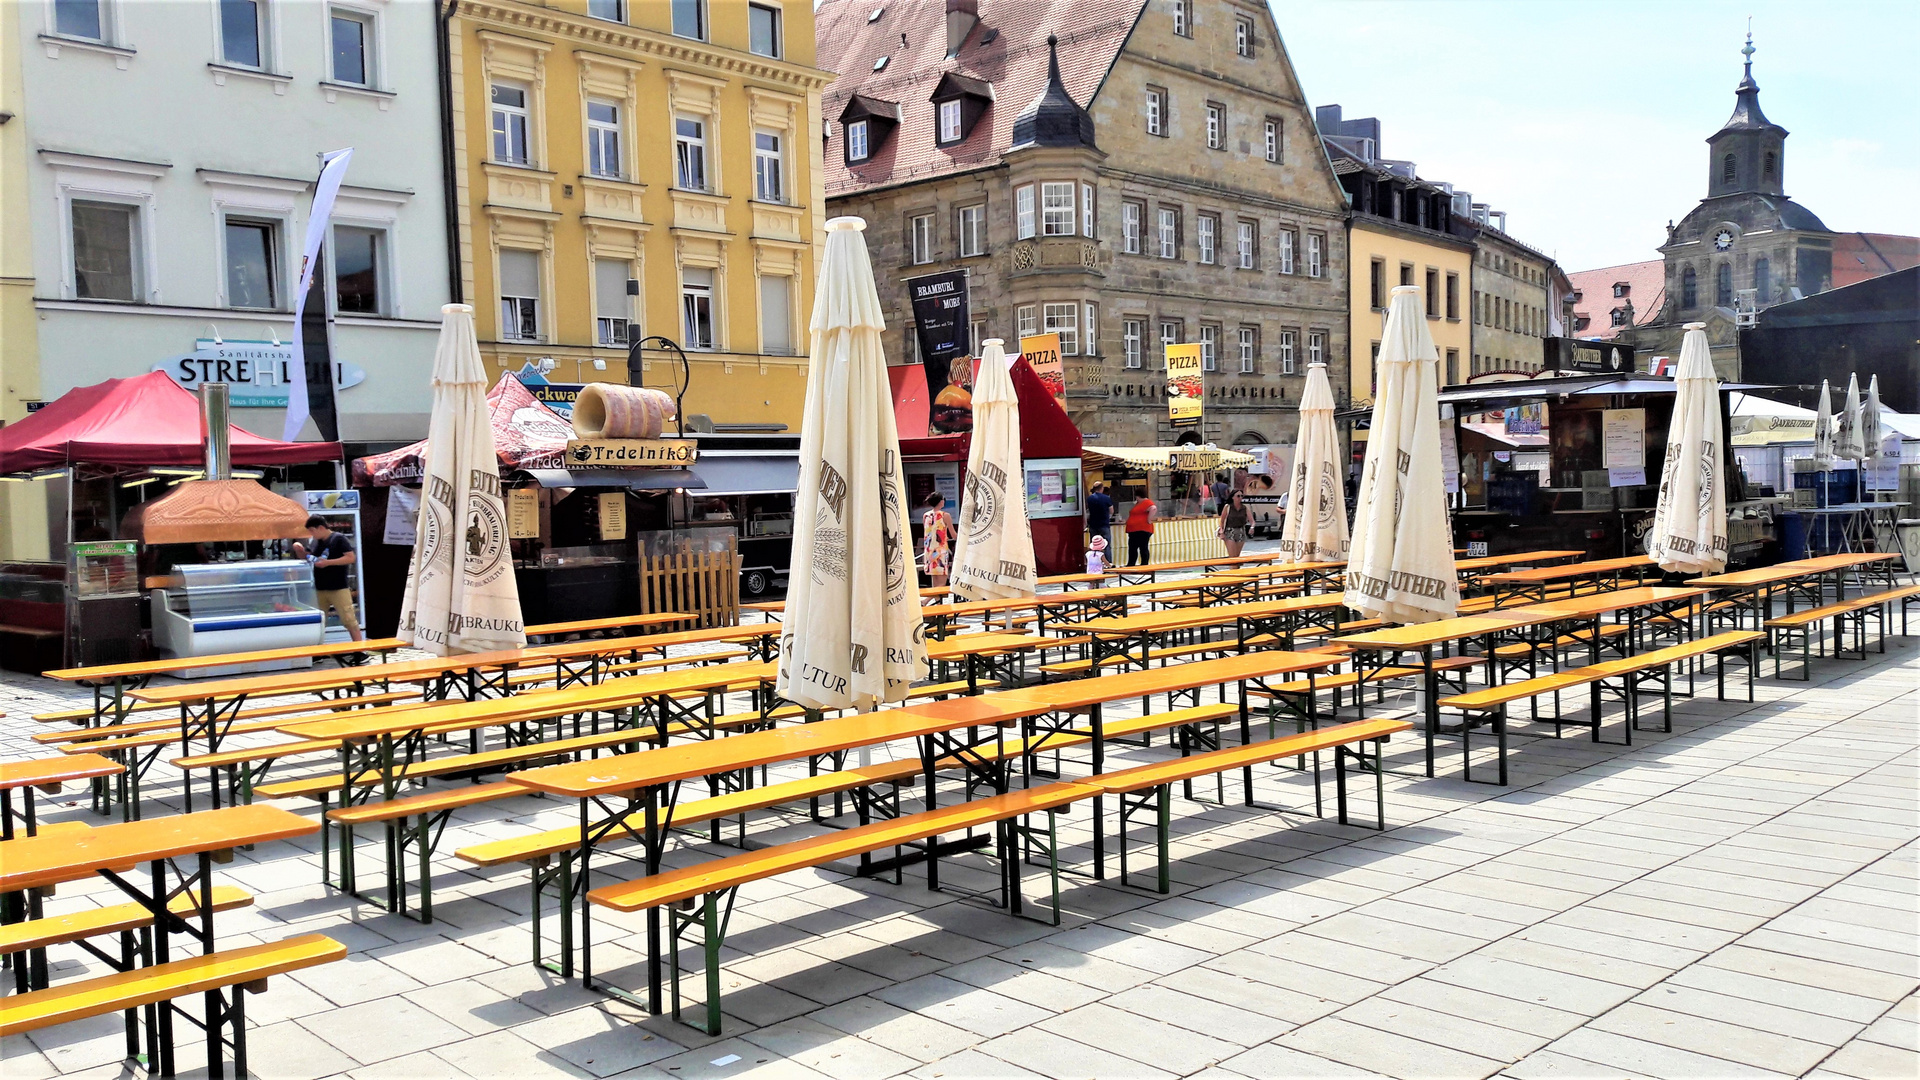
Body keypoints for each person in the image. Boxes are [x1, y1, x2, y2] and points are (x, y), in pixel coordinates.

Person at [294, 515, 363, 641]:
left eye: (312, 531)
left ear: (320, 528)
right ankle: (317, 652)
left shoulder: (339, 539)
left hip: (338, 587)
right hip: (320, 587)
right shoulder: (316, 542)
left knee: (349, 619)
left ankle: (360, 650)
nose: (311, 534)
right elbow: (308, 557)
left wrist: (328, 563)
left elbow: (350, 558)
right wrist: (300, 551)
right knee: (318, 621)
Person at [920, 492, 953, 588]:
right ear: (941, 501)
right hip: (941, 551)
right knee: (942, 582)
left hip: (929, 551)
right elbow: (953, 534)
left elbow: (928, 532)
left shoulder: (926, 515)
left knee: (935, 582)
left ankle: (935, 601)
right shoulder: (945, 515)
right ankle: (926, 600)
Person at [1124, 493, 1157, 567]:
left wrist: (1149, 519)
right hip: (1134, 530)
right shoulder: (1138, 504)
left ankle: (1144, 564)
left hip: (1142, 529)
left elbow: (1153, 508)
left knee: (1143, 547)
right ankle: (1131, 563)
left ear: (1138, 496)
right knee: (1133, 547)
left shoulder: (1146, 502)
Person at [1218, 490, 1251, 558]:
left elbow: (1252, 520)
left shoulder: (1244, 507)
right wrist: (1221, 532)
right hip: (1230, 531)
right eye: (1238, 496)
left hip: (1241, 531)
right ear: (1233, 497)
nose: (1240, 498)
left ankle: (1235, 568)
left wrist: (1252, 527)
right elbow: (1222, 520)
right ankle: (1233, 568)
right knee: (1232, 557)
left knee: (1237, 556)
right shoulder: (1228, 507)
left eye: (1242, 496)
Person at [1085, 481, 1113, 551]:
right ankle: (1108, 561)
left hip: (1093, 525)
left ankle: (1095, 560)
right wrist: (1108, 517)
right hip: (1104, 525)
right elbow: (1111, 511)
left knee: (1094, 545)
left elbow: (1087, 511)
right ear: (1102, 488)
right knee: (1106, 545)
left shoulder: (1089, 498)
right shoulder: (1106, 498)